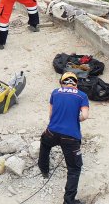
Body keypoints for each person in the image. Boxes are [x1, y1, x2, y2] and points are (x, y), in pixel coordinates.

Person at [37, 72, 90, 204]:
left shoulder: (55, 92)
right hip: (71, 138)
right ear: (75, 84)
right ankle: (69, 201)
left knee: (45, 143)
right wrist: (76, 118)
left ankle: (44, 169)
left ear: (62, 82)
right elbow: (85, 115)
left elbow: (50, 114)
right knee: (74, 169)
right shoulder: (82, 95)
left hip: (52, 132)